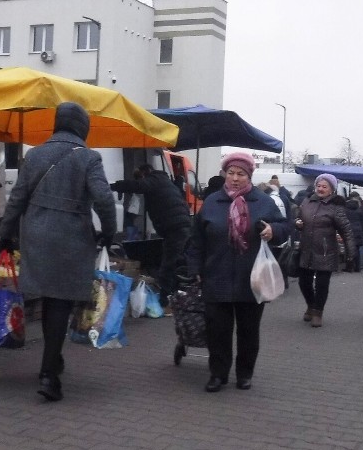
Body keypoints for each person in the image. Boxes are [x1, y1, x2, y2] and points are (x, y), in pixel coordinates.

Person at [0, 102, 116, 401]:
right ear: (82, 126)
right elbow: (103, 198)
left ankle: (54, 361)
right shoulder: (89, 157)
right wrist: (109, 231)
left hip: (36, 236)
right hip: (71, 238)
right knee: (60, 302)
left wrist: (4, 234)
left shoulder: (34, 154)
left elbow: (17, 199)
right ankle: (49, 374)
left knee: (51, 300)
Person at [186, 152, 288, 392]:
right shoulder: (212, 202)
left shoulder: (263, 201)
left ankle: (244, 373)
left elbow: (285, 227)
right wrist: (195, 268)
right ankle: (218, 374)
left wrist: (273, 230)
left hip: (251, 277)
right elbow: (196, 239)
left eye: (240, 174)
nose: (234, 178)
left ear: (249, 176)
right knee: (217, 330)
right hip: (216, 275)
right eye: (230, 173)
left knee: (248, 330)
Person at [111, 163, 192, 306]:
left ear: (146, 172)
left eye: (140, 177)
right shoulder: (165, 181)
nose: (140, 180)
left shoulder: (154, 179)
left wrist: (116, 185)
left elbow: (139, 186)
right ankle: (176, 293)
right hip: (180, 225)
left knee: (168, 263)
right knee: (177, 260)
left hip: (174, 228)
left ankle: (165, 300)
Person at [295, 173, 356, 327]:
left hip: (326, 251)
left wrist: (351, 253)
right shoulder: (307, 201)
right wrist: (297, 222)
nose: (320, 189)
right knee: (304, 282)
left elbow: (346, 230)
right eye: (319, 186)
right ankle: (310, 305)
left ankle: (317, 312)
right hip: (306, 249)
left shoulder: (336, 207)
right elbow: (298, 217)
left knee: (321, 285)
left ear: (331, 190)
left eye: (324, 186)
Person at [344, 192, 363, 271]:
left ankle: (349, 267)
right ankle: (357, 267)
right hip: (358, 230)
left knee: (349, 249)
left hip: (349, 229)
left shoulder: (346, 210)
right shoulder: (359, 210)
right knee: (357, 249)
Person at [122, 169, 143, 241]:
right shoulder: (142, 184)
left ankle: (132, 240)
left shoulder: (136, 184)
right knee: (133, 226)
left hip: (134, 209)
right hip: (136, 209)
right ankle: (133, 239)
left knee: (131, 226)